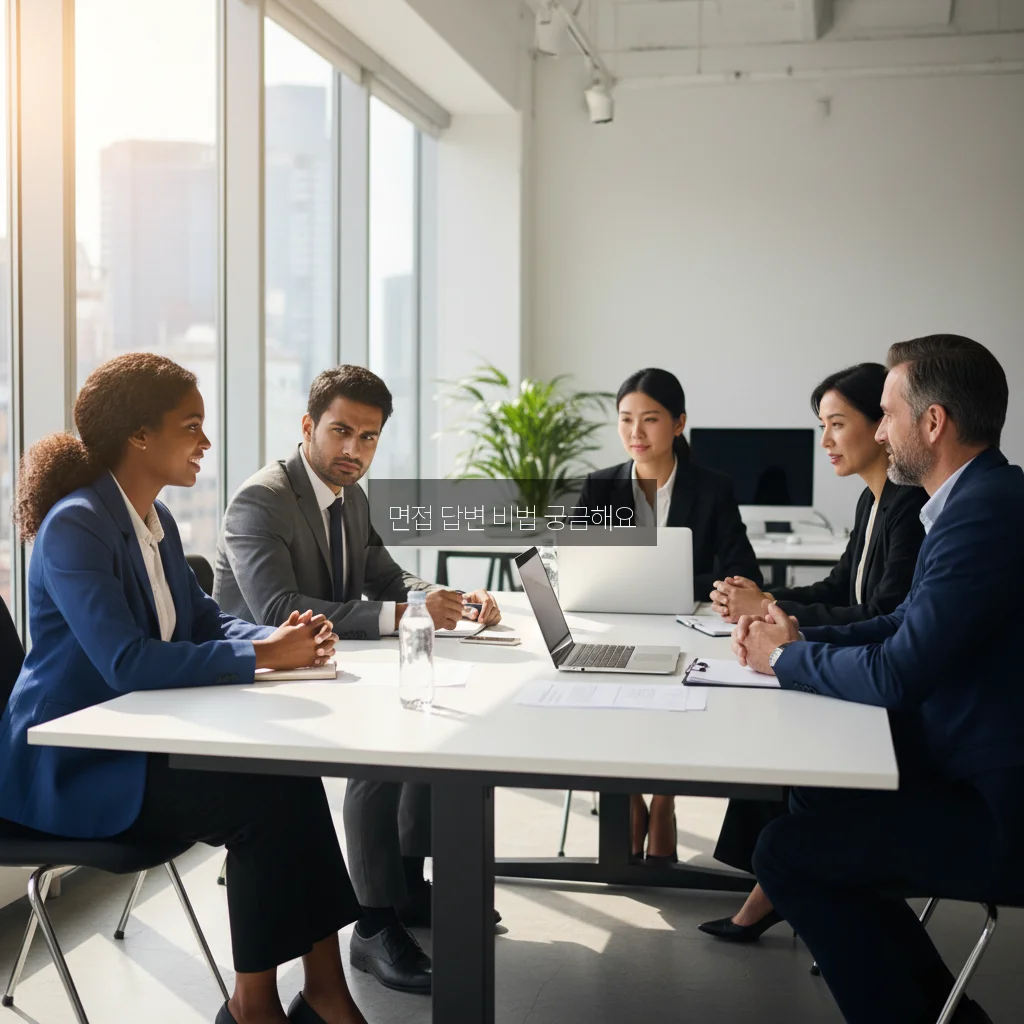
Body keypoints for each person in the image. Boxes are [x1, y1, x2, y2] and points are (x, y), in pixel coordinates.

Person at [0, 354, 368, 1024]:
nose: (206, 441)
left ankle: (324, 993)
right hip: (73, 766)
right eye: (191, 426)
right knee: (261, 803)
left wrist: (274, 637)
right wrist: (263, 657)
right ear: (140, 435)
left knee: (290, 776)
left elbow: (202, 620)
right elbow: (127, 662)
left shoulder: (156, 519)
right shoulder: (76, 526)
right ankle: (255, 1006)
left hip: (134, 741)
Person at [733, 335, 1020, 1024]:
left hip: (1000, 809)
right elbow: (899, 625)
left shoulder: (982, 513)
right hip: (970, 767)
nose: (881, 431)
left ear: (933, 422)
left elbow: (898, 671)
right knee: (814, 793)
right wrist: (800, 641)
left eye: (887, 414)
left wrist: (785, 660)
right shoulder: (974, 499)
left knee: (787, 852)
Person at [214, 364, 501, 996]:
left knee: (430, 715)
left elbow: (389, 578)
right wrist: (403, 614)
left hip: (324, 668)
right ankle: (372, 925)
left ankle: (404, 888)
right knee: (387, 742)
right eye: (341, 431)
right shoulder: (261, 499)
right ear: (308, 425)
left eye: (368, 437)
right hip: (259, 684)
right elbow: (277, 610)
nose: (354, 449)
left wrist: (447, 599)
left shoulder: (352, 496)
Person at [701, 362, 927, 942]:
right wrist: (767, 601)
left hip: (884, 693)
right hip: (859, 667)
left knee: (783, 725)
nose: (825, 440)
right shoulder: (872, 501)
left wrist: (770, 610)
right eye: (821, 426)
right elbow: (839, 588)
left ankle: (777, 883)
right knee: (772, 712)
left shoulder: (908, 506)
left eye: (837, 424)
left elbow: (883, 611)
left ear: (881, 424)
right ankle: (772, 882)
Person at [576, 367, 762, 861]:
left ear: (679, 424)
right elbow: (577, 567)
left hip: (685, 630)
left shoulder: (712, 488)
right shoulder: (599, 487)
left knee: (675, 696)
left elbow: (743, 571)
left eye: (651, 419)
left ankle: (663, 798)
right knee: (600, 697)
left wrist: (683, 585)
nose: (635, 432)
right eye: (625, 419)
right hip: (617, 628)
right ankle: (628, 796)